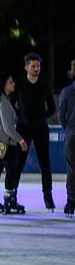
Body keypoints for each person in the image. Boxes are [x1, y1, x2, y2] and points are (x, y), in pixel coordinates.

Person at [15, 52, 57, 211]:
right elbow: (12, 104)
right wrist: (20, 117)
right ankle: (13, 193)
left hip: (41, 129)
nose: (36, 69)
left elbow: (52, 107)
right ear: (26, 67)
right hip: (23, 129)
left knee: (45, 163)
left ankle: (48, 196)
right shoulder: (19, 84)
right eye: (33, 66)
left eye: (38, 66)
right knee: (18, 162)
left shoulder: (44, 85)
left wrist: (42, 117)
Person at [0, 74, 28, 214]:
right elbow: (8, 126)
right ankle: (9, 199)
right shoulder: (4, 102)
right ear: (4, 85)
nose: (13, 84)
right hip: (5, 141)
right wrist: (20, 139)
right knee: (12, 169)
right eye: (10, 82)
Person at [58, 62, 75, 217]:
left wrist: (68, 129)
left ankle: (71, 201)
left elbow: (61, 115)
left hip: (71, 134)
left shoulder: (66, 92)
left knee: (72, 169)